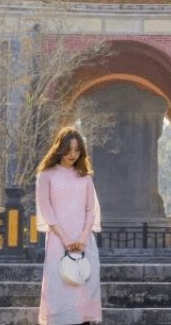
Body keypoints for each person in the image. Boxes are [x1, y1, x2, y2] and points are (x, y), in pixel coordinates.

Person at [35, 126, 102, 325]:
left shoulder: (85, 177)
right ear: (59, 148)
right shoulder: (46, 175)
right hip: (58, 240)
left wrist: (82, 238)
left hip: (84, 241)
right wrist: (65, 239)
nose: (72, 154)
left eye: (77, 150)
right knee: (59, 285)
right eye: (69, 149)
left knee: (84, 284)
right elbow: (47, 210)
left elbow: (91, 210)